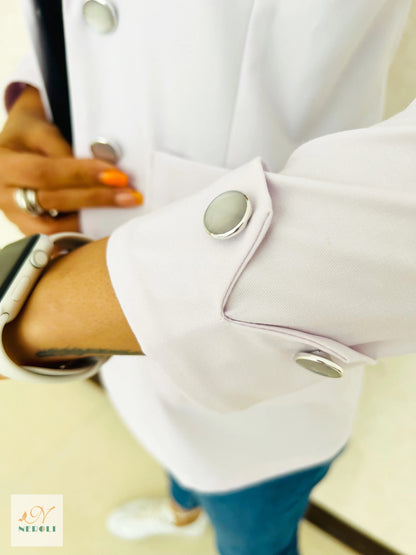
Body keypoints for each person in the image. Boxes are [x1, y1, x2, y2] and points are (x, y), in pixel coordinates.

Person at [1, 1, 415, 554]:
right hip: (108, 316)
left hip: (260, 398)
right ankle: (183, 510)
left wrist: (50, 310)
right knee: (172, 448)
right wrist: (31, 95)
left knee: (253, 539)